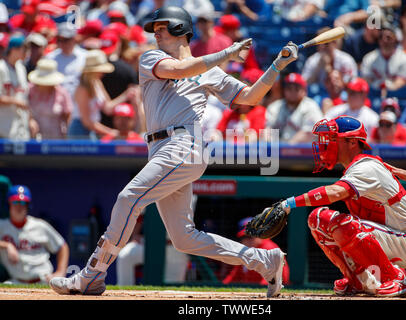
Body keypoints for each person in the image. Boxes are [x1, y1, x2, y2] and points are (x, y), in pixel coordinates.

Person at [49, 6, 298, 297]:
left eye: (162, 27)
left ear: (181, 28)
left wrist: (275, 67)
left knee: (128, 198)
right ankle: (264, 261)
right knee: (183, 238)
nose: (155, 32)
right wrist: (225, 54)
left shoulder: (210, 72)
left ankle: (92, 274)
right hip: (161, 148)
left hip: (183, 144)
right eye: (155, 28)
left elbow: (250, 97)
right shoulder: (152, 57)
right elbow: (181, 70)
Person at [272, 115, 406, 297]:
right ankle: (358, 279)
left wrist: (288, 203)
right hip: (388, 235)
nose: (325, 144)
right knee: (317, 220)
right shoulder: (353, 168)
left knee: (339, 222)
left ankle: (395, 278)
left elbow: (336, 193)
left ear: (352, 142)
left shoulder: (366, 166)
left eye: (331, 138)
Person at [0, 185, 69, 284]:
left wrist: (60, 272)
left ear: (28, 206)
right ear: (8, 205)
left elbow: (62, 246)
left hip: (43, 279)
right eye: (15, 202)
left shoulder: (39, 225)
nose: (19, 206)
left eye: (23, 203)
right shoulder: (2, 226)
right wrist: (7, 245)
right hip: (17, 281)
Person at [67, 49, 132, 140]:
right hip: (80, 131)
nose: (103, 72)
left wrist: (126, 95)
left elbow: (108, 108)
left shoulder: (97, 83)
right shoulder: (82, 88)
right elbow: (87, 122)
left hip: (92, 129)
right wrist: (110, 132)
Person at [222, 217, 290, 285]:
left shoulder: (269, 249)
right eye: (244, 237)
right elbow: (235, 276)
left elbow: (276, 279)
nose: (247, 241)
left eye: (250, 236)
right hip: (253, 292)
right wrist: (222, 287)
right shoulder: (246, 251)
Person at [265, 73, 323, 143]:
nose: (292, 92)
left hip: (305, 151)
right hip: (279, 150)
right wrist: (272, 145)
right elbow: (268, 130)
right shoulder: (275, 107)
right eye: (289, 88)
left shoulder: (311, 106)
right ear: (284, 90)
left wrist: (287, 149)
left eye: (296, 89)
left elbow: (308, 133)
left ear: (304, 91)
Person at [27, 58, 73, 139]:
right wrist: (30, 120)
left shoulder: (61, 93)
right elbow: (23, 108)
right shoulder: (29, 90)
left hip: (55, 139)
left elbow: (68, 115)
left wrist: (67, 134)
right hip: (32, 139)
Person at [360, 23, 406, 91]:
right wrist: (379, 86)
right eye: (381, 37)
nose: (384, 40)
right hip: (374, 94)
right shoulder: (369, 58)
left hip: (397, 95)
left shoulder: (405, 58)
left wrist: (387, 88)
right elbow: (366, 80)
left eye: (388, 37)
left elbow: (402, 81)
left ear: (396, 39)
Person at [45, 23, 88, 100]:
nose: (62, 43)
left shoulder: (85, 56)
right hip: (57, 102)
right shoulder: (50, 58)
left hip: (80, 102)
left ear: (74, 39)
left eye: (66, 40)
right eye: (59, 40)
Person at [0, 34, 30, 140]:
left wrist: (31, 120)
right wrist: (15, 102)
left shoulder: (21, 68)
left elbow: (24, 95)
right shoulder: (1, 68)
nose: (27, 52)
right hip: (4, 126)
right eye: (24, 49)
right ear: (13, 49)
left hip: (21, 126)